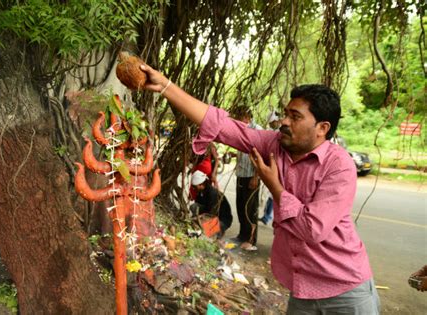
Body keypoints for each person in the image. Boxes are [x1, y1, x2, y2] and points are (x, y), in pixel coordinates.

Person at [138, 64, 380, 314]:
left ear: (322, 128)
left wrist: (274, 186)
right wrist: (165, 86)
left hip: (345, 290)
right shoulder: (275, 145)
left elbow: (312, 229)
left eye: (295, 117)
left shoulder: (339, 166)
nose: (284, 122)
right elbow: (222, 126)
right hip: (302, 290)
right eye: (286, 114)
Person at [231, 107, 261, 251]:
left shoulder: (257, 130)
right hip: (241, 174)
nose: (237, 120)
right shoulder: (241, 129)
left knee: (250, 209)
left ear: (247, 117)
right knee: (241, 206)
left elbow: (261, 156)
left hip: (251, 176)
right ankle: (242, 235)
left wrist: (256, 176)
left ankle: (251, 240)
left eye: (240, 116)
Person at [190, 170, 233, 237]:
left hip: (221, 219)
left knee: (205, 233)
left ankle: (219, 231)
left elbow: (212, 214)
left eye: (195, 187)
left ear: (201, 184)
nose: (194, 188)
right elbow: (198, 205)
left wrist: (200, 219)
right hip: (209, 214)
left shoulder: (213, 193)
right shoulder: (201, 191)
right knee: (194, 206)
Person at [260, 110, 281, 225]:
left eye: (272, 123)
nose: (271, 125)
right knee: (271, 195)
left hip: (277, 170)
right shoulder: (273, 133)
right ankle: (267, 216)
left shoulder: (282, 133)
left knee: (276, 196)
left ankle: (270, 218)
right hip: (272, 169)